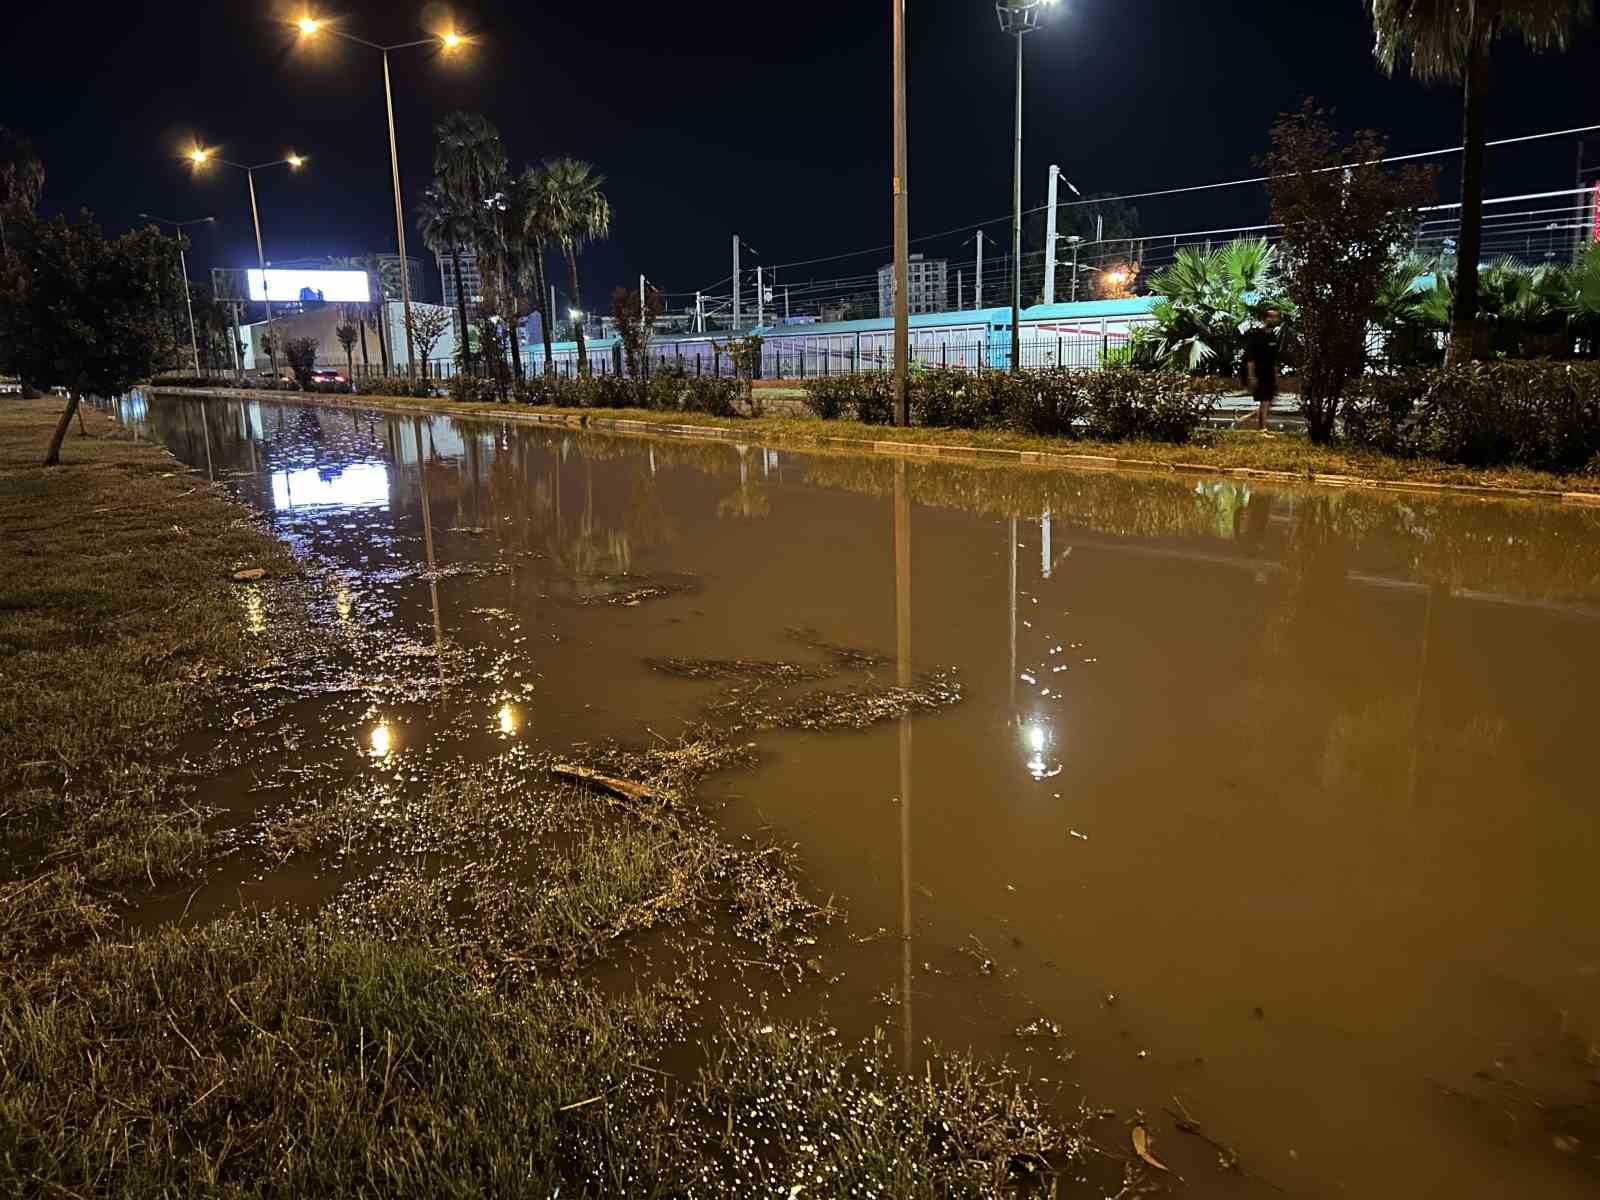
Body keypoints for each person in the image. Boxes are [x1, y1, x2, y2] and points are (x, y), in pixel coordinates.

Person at [1237, 308, 1282, 432]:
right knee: (1265, 400)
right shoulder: (1257, 335)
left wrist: (1276, 375)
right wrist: (1251, 376)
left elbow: (1274, 359)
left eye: (1276, 317)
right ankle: (1263, 429)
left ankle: (1245, 420)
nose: (1274, 319)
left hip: (1269, 374)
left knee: (1267, 402)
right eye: (1271, 317)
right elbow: (1250, 358)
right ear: (1265, 319)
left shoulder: (1273, 336)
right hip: (1259, 373)